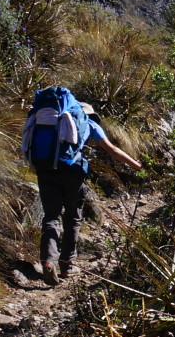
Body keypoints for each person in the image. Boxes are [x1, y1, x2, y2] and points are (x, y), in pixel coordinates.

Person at [32, 100, 142, 285]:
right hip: (73, 173)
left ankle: (48, 261)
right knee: (73, 218)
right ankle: (66, 266)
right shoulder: (90, 124)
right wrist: (137, 165)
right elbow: (112, 150)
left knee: (51, 217)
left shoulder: (51, 121)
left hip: (45, 170)